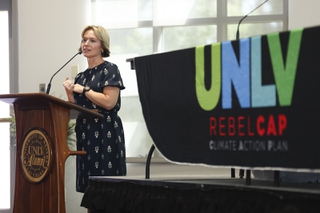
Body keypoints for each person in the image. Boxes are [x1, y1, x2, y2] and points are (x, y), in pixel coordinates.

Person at [63, 25, 126, 193]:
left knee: (107, 188)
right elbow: (78, 109)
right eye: (84, 40)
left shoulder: (110, 70)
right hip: (86, 132)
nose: (86, 44)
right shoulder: (81, 76)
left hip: (106, 132)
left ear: (102, 46)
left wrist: (83, 89)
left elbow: (109, 103)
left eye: (92, 40)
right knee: (90, 189)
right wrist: (70, 94)